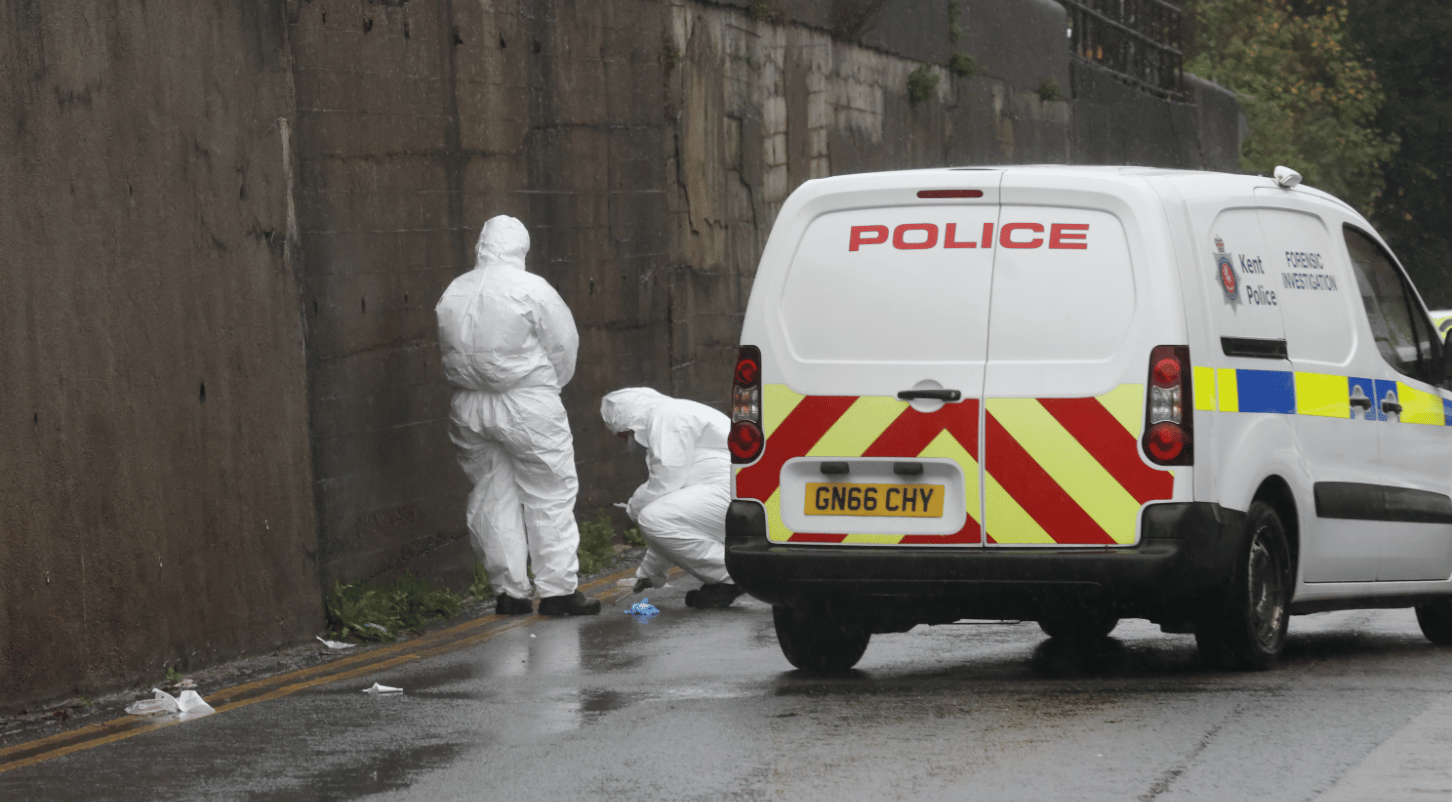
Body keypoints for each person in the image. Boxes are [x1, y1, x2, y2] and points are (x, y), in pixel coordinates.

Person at [435, 215, 600, 616]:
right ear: (521, 248)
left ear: (482, 245)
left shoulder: (455, 290)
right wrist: (548, 386)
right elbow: (564, 345)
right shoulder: (531, 289)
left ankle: (510, 593)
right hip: (526, 402)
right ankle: (558, 592)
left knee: (492, 495)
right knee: (549, 492)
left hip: (469, 405)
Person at [600, 388, 744, 608]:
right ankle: (726, 580)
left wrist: (635, 506)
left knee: (651, 517)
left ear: (629, 419)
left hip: (728, 493)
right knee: (657, 516)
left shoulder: (666, 415)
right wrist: (650, 573)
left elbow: (666, 482)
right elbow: (672, 521)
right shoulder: (674, 413)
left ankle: (733, 576)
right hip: (735, 495)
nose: (628, 439)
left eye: (626, 433)